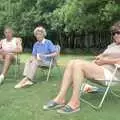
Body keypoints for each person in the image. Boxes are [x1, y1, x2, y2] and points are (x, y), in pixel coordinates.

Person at [43, 21, 120, 114]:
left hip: (111, 74)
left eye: (118, 33)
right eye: (114, 33)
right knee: (72, 62)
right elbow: (103, 55)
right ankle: (60, 98)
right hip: (99, 69)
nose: (115, 35)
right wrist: (99, 57)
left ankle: (75, 102)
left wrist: (105, 61)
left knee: (78, 64)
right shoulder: (112, 45)